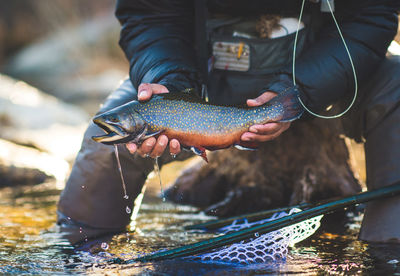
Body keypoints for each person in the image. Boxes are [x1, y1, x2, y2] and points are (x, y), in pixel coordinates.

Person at [57, 0, 400, 244]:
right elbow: (150, 15)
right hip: (196, 78)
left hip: (330, 81)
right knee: (103, 150)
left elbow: (372, 15)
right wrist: (169, 82)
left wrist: (302, 91)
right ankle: (81, 255)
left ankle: (388, 253)